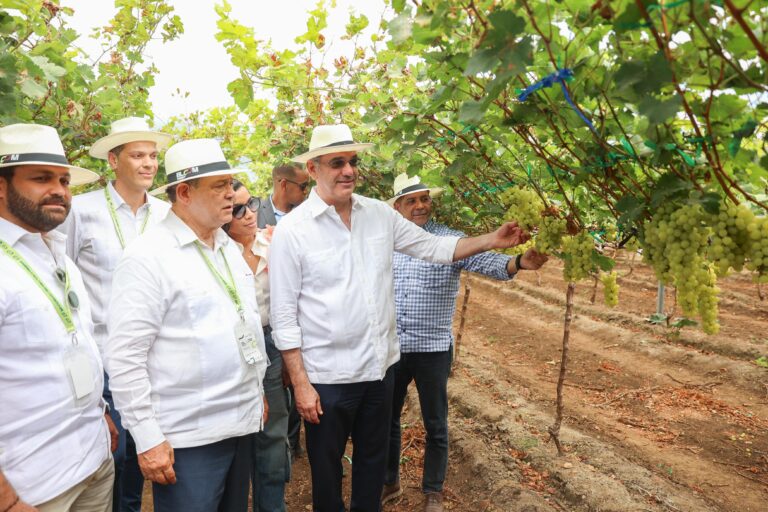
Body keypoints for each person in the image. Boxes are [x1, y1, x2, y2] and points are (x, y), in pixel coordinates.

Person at [269, 124, 532, 512]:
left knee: (372, 470)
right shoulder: (292, 231)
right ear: (313, 169)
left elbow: (434, 247)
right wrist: (302, 384)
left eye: (353, 162)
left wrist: (491, 240)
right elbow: (283, 314)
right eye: (337, 162)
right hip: (328, 379)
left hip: (379, 373)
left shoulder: (377, 214)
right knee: (327, 474)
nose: (348, 170)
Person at [103, 139, 268, 512]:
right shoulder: (148, 258)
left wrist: (255, 392)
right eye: (219, 186)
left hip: (240, 422)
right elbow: (125, 357)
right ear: (184, 192)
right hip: (188, 439)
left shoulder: (226, 247)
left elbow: (243, 327)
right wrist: (147, 438)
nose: (232, 194)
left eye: (231, 184)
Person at [383, 173, 549, 512]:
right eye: (411, 200)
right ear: (397, 206)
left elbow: (488, 262)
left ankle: (433, 491)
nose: (420, 206)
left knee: (435, 423)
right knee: (387, 418)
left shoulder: (450, 240)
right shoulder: (383, 240)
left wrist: (518, 263)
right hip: (391, 347)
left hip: (432, 349)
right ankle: (389, 481)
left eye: (424, 199)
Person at [0, 123, 116, 511]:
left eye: (64, 180)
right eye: (40, 178)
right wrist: (7, 499)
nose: (59, 190)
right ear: (1, 186)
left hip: (93, 462)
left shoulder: (58, 255)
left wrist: (99, 416)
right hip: (35, 487)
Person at [60, 117, 172, 512]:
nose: (148, 164)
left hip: (161, 358)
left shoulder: (167, 214)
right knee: (119, 458)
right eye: (137, 155)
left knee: (157, 453)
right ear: (113, 160)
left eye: (153, 155)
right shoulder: (82, 211)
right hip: (108, 360)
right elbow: (64, 281)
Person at [223, 180, 289, 511]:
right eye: (237, 209)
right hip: (231, 349)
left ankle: (271, 505)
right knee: (237, 434)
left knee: (273, 432)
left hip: (270, 343)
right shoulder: (216, 254)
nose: (249, 214)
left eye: (252, 204)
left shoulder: (273, 243)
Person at [254, 163, 309, 460]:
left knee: (300, 376)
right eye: (303, 186)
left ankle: (294, 438)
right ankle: (279, 446)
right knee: (276, 382)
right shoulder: (254, 213)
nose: (307, 192)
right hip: (268, 314)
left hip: (301, 312)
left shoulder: (309, 216)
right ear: (284, 185)